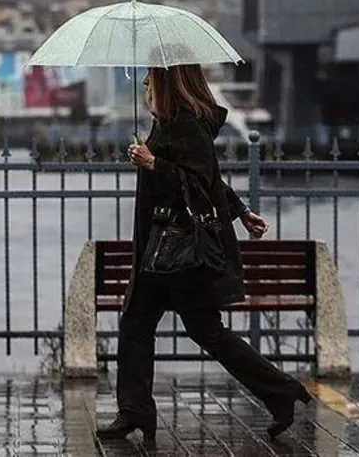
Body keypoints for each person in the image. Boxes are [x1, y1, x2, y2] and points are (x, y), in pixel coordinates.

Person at [96, 64, 311, 444]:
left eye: (151, 75)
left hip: (178, 252)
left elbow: (195, 183)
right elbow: (209, 179)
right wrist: (242, 211)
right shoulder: (168, 123)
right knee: (135, 325)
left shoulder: (187, 126)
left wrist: (153, 164)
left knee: (205, 331)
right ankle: (134, 411)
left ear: (169, 80)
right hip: (159, 251)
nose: (145, 81)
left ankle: (280, 390)